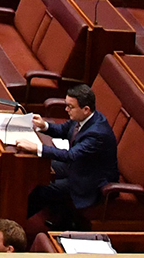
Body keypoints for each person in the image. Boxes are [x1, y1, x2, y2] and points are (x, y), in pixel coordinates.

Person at [27, 85, 119, 233]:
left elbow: (71, 156)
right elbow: (63, 130)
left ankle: (15, 222)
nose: (66, 110)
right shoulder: (83, 118)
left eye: (70, 107)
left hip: (89, 180)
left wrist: (38, 148)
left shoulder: (97, 134)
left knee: (44, 187)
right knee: (40, 166)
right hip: (79, 166)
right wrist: (44, 125)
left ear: (86, 109)